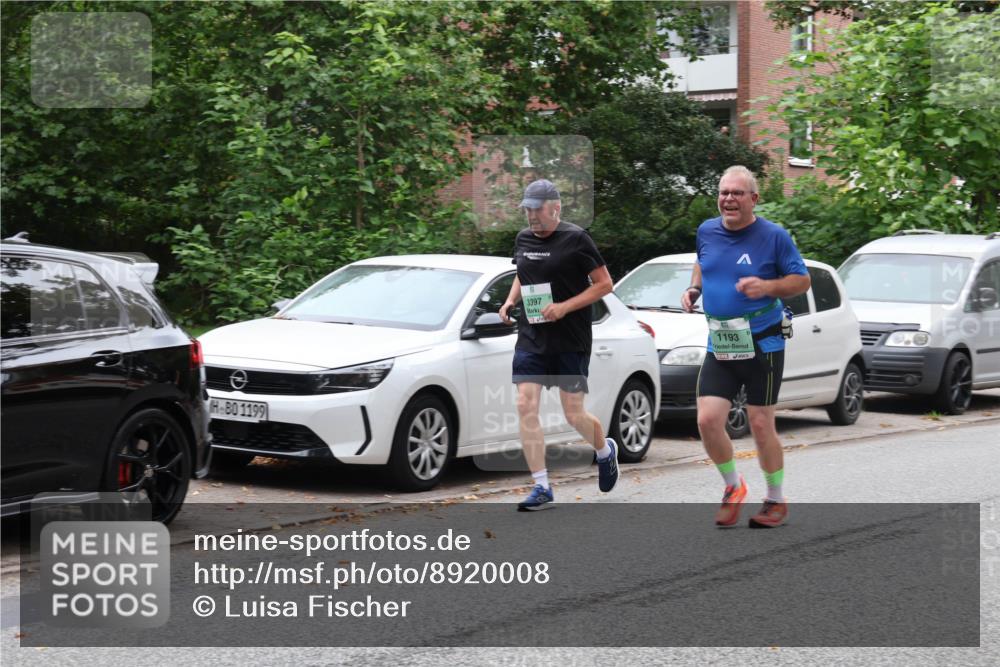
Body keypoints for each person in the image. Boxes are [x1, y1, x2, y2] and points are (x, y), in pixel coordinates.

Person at [681, 165, 810, 528]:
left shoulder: (774, 237)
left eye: (737, 193)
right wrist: (694, 289)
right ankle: (732, 486)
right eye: (723, 192)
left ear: (754, 198)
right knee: (707, 420)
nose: (728, 199)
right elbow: (703, 263)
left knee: (760, 423)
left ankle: (775, 499)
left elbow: (802, 280)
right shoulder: (707, 230)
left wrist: (767, 287)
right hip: (721, 340)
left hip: (763, 342)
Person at [499, 179, 618, 511]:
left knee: (573, 414)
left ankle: (605, 451)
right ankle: (541, 486)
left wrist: (565, 307)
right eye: (527, 209)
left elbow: (604, 284)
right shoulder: (523, 239)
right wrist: (509, 301)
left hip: (570, 339)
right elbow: (523, 273)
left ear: (556, 208)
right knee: (525, 405)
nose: (531, 215)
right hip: (532, 335)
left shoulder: (577, 239)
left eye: (537, 209)